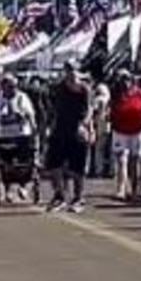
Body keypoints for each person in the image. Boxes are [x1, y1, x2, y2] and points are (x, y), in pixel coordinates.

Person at [44, 63, 92, 213]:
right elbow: (53, 109)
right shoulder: (58, 88)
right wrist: (49, 127)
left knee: (77, 167)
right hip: (60, 129)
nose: (72, 74)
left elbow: (89, 109)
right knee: (53, 164)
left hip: (78, 129)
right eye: (69, 71)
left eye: (74, 71)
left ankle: (78, 198)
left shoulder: (84, 89)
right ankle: (59, 196)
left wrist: (85, 126)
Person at [0, 74, 38, 203]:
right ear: (3, 87)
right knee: (5, 163)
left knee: (23, 162)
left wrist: (33, 129)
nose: (12, 89)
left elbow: (31, 114)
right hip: (4, 135)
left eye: (14, 86)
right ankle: (8, 189)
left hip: (21, 135)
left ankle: (23, 186)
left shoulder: (22, 97)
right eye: (9, 86)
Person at [110, 70, 141, 201]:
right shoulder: (116, 94)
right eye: (122, 79)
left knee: (135, 162)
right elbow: (110, 111)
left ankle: (136, 190)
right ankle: (121, 189)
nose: (125, 82)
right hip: (120, 131)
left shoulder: (140, 94)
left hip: (137, 131)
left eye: (127, 79)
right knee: (122, 161)